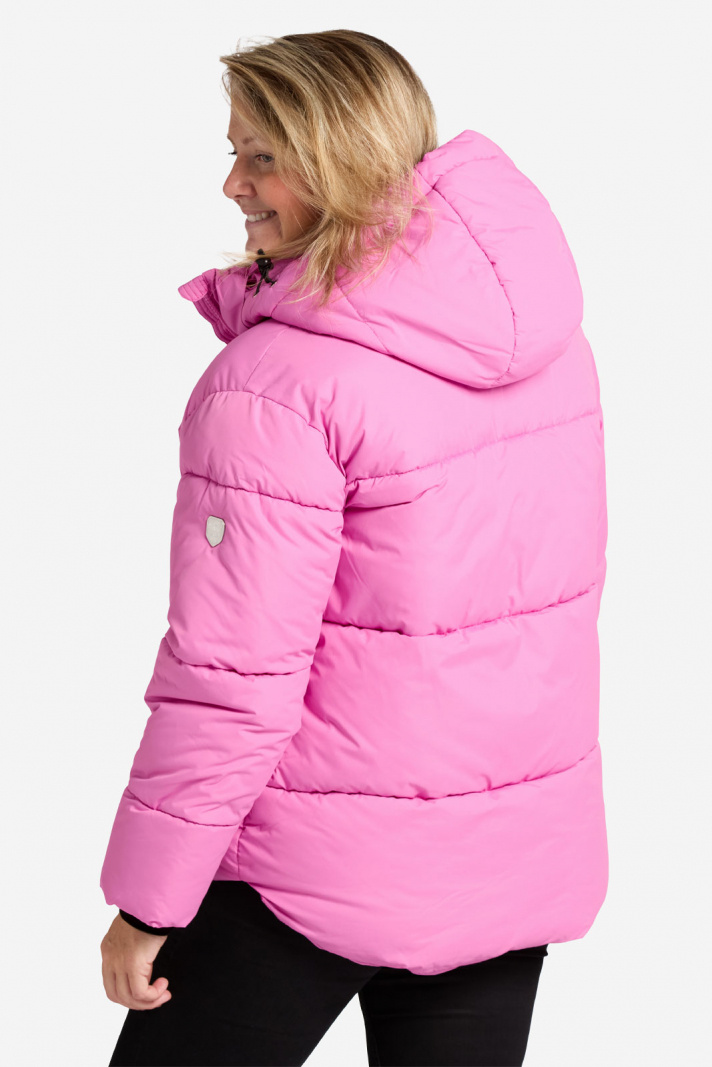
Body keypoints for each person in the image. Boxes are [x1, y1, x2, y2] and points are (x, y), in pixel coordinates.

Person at [99, 28, 608, 1067]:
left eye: (262, 157)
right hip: (503, 869)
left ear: (337, 158)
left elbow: (231, 678)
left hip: (300, 879)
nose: (232, 183)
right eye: (234, 151)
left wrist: (148, 899)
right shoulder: (545, 348)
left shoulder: (274, 387)